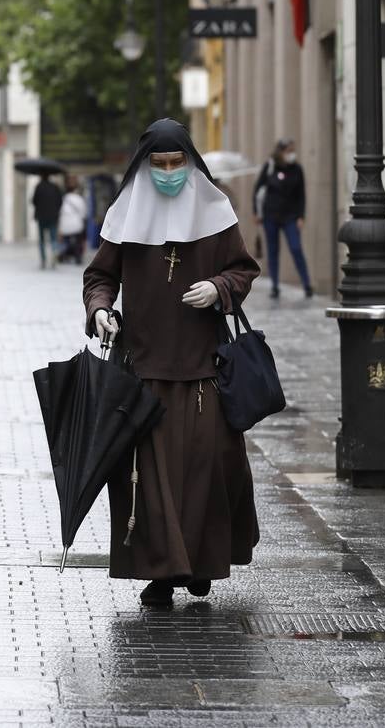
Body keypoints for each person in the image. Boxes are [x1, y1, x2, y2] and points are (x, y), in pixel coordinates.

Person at [82, 118, 261, 608]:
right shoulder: (126, 214)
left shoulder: (215, 209)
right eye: (158, 164)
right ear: (144, 167)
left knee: (205, 470)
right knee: (148, 479)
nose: (167, 172)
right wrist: (100, 310)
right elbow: (100, 275)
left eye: (175, 162)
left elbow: (242, 268)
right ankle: (160, 573)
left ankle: (201, 562)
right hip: (142, 367)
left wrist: (219, 288)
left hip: (203, 368)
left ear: (189, 161)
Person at [252, 138, 312, 299]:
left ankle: (307, 284)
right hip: (270, 215)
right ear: (281, 151)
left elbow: (301, 195)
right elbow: (258, 189)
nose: (291, 154)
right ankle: (275, 286)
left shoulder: (297, 169)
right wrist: (256, 213)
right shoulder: (270, 166)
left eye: (293, 151)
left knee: (296, 248)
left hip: (290, 216)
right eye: (288, 151)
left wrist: (301, 216)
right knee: (273, 251)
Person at [32, 174, 64, 269]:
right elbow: (60, 201)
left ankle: (43, 260)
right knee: (53, 238)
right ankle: (54, 255)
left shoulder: (38, 187)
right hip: (53, 217)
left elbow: (34, 201)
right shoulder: (55, 187)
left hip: (41, 217)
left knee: (42, 240)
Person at [57, 177, 89, 265]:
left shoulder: (63, 199)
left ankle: (64, 255)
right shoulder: (79, 199)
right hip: (77, 225)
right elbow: (84, 213)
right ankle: (78, 257)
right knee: (78, 242)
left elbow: (60, 213)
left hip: (65, 225)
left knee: (66, 242)